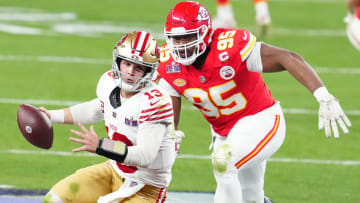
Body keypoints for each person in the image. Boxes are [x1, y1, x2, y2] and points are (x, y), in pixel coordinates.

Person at [156, 1, 352, 203]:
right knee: (251, 197)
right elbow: (171, 97)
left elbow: (287, 57)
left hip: (262, 120)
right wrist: (171, 133)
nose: (181, 45)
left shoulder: (230, 47)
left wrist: (322, 95)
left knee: (223, 161)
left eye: (187, 37)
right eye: (175, 39)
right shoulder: (168, 62)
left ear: (205, 32)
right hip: (224, 133)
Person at [40, 31, 176, 203]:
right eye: (126, 64)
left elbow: (144, 156)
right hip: (114, 172)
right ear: (118, 61)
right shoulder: (108, 82)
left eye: (138, 68)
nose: (130, 72)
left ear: (149, 72)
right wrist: (51, 116)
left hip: (146, 188)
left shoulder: (156, 101)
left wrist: (101, 145)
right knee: (55, 198)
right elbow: (95, 109)